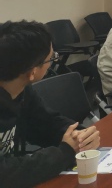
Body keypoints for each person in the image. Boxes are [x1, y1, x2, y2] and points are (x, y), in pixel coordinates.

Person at [0, 21, 101, 187]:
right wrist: (66, 152)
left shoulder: (21, 89)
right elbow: (5, 174)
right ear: (32, 72)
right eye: (51, 59)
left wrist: (79, 137)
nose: (52, 63)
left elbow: (45, 123)